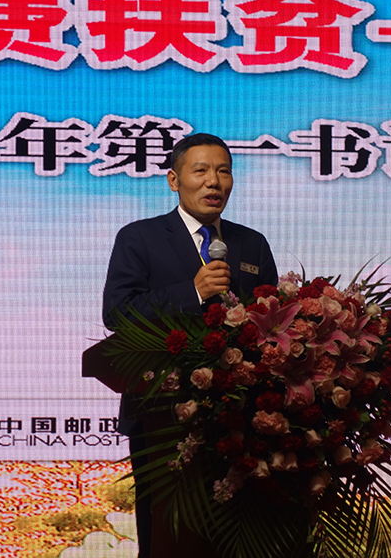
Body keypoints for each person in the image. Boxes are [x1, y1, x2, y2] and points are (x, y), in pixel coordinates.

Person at [102, 132, 278, 557]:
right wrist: (193, 293)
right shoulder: (140, 237)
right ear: (173, 180)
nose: (213, 181)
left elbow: (273, 320)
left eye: (223, 171)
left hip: (243, 420)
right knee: (170, 539)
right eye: (200, 171)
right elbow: (118, 313)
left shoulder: (251, 243)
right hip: (164, 418)